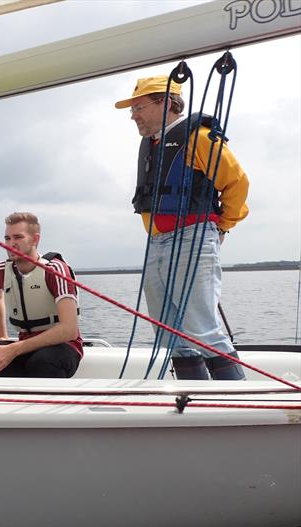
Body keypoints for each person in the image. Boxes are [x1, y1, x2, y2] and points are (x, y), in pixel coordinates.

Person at [115, 75, 249, 380]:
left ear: (165, 103)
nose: (133, 115)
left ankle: (234, 398)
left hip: (192, 238)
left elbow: (237, 183)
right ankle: (195, 396)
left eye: (138, 107)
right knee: (168, 331)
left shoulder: (199, 138)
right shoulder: (151, 144)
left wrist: (222, 228)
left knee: (201, 328)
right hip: (157, 242)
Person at [0, 212, 82, 378]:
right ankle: (18, 394)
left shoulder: (55, 271)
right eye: (7, 238)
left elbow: (69, 330)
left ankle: (42, 396)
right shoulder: (0, 272)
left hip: (64, 346)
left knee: (42, 362)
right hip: (26, 345)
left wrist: (14, 349)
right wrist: (3, 336)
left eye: (18, 237)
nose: (11, 243)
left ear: (35, 240)